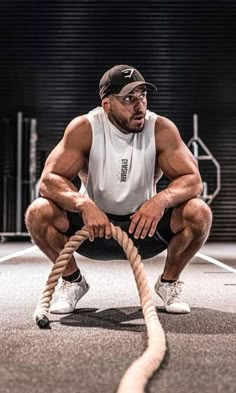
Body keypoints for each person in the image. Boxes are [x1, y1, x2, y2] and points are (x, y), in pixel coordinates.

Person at [25, 64, 212, 315]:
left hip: (143, 229)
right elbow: (48, 180)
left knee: (199, 212)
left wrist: (161, 200)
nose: (139, 105)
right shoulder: (85, 128)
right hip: (93, 229)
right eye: (128, 98)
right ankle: (72, 282)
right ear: (106, 104)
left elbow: (193, 180)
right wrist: (84, 205)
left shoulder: (160, 129)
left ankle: (169, 283)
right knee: (38, 212)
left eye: (142, 96)